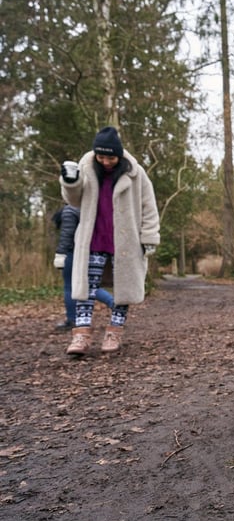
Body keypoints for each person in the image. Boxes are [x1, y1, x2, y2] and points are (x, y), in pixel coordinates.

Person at [59, 126, 160, 355]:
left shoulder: (136, 173)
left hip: (126, 242)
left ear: (119, 155)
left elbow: (149, 206)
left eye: (110, 157)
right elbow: (73, 200)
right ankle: (81, 336)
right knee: (86, 289)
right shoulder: (86, 169)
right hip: (93, 239)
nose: (105, 161)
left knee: (124, 290)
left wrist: (149, 236)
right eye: (101, 156)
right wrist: (70, 181)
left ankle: (114, 332)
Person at [53, 204, 114, 330]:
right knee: (91, 285)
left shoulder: (70, 209)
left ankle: (72, 320)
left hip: (73, 252)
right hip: (92, 252)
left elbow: (66, 235)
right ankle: (114, 304)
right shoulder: (91, 208)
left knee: (70, 286)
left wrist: (60, 254)